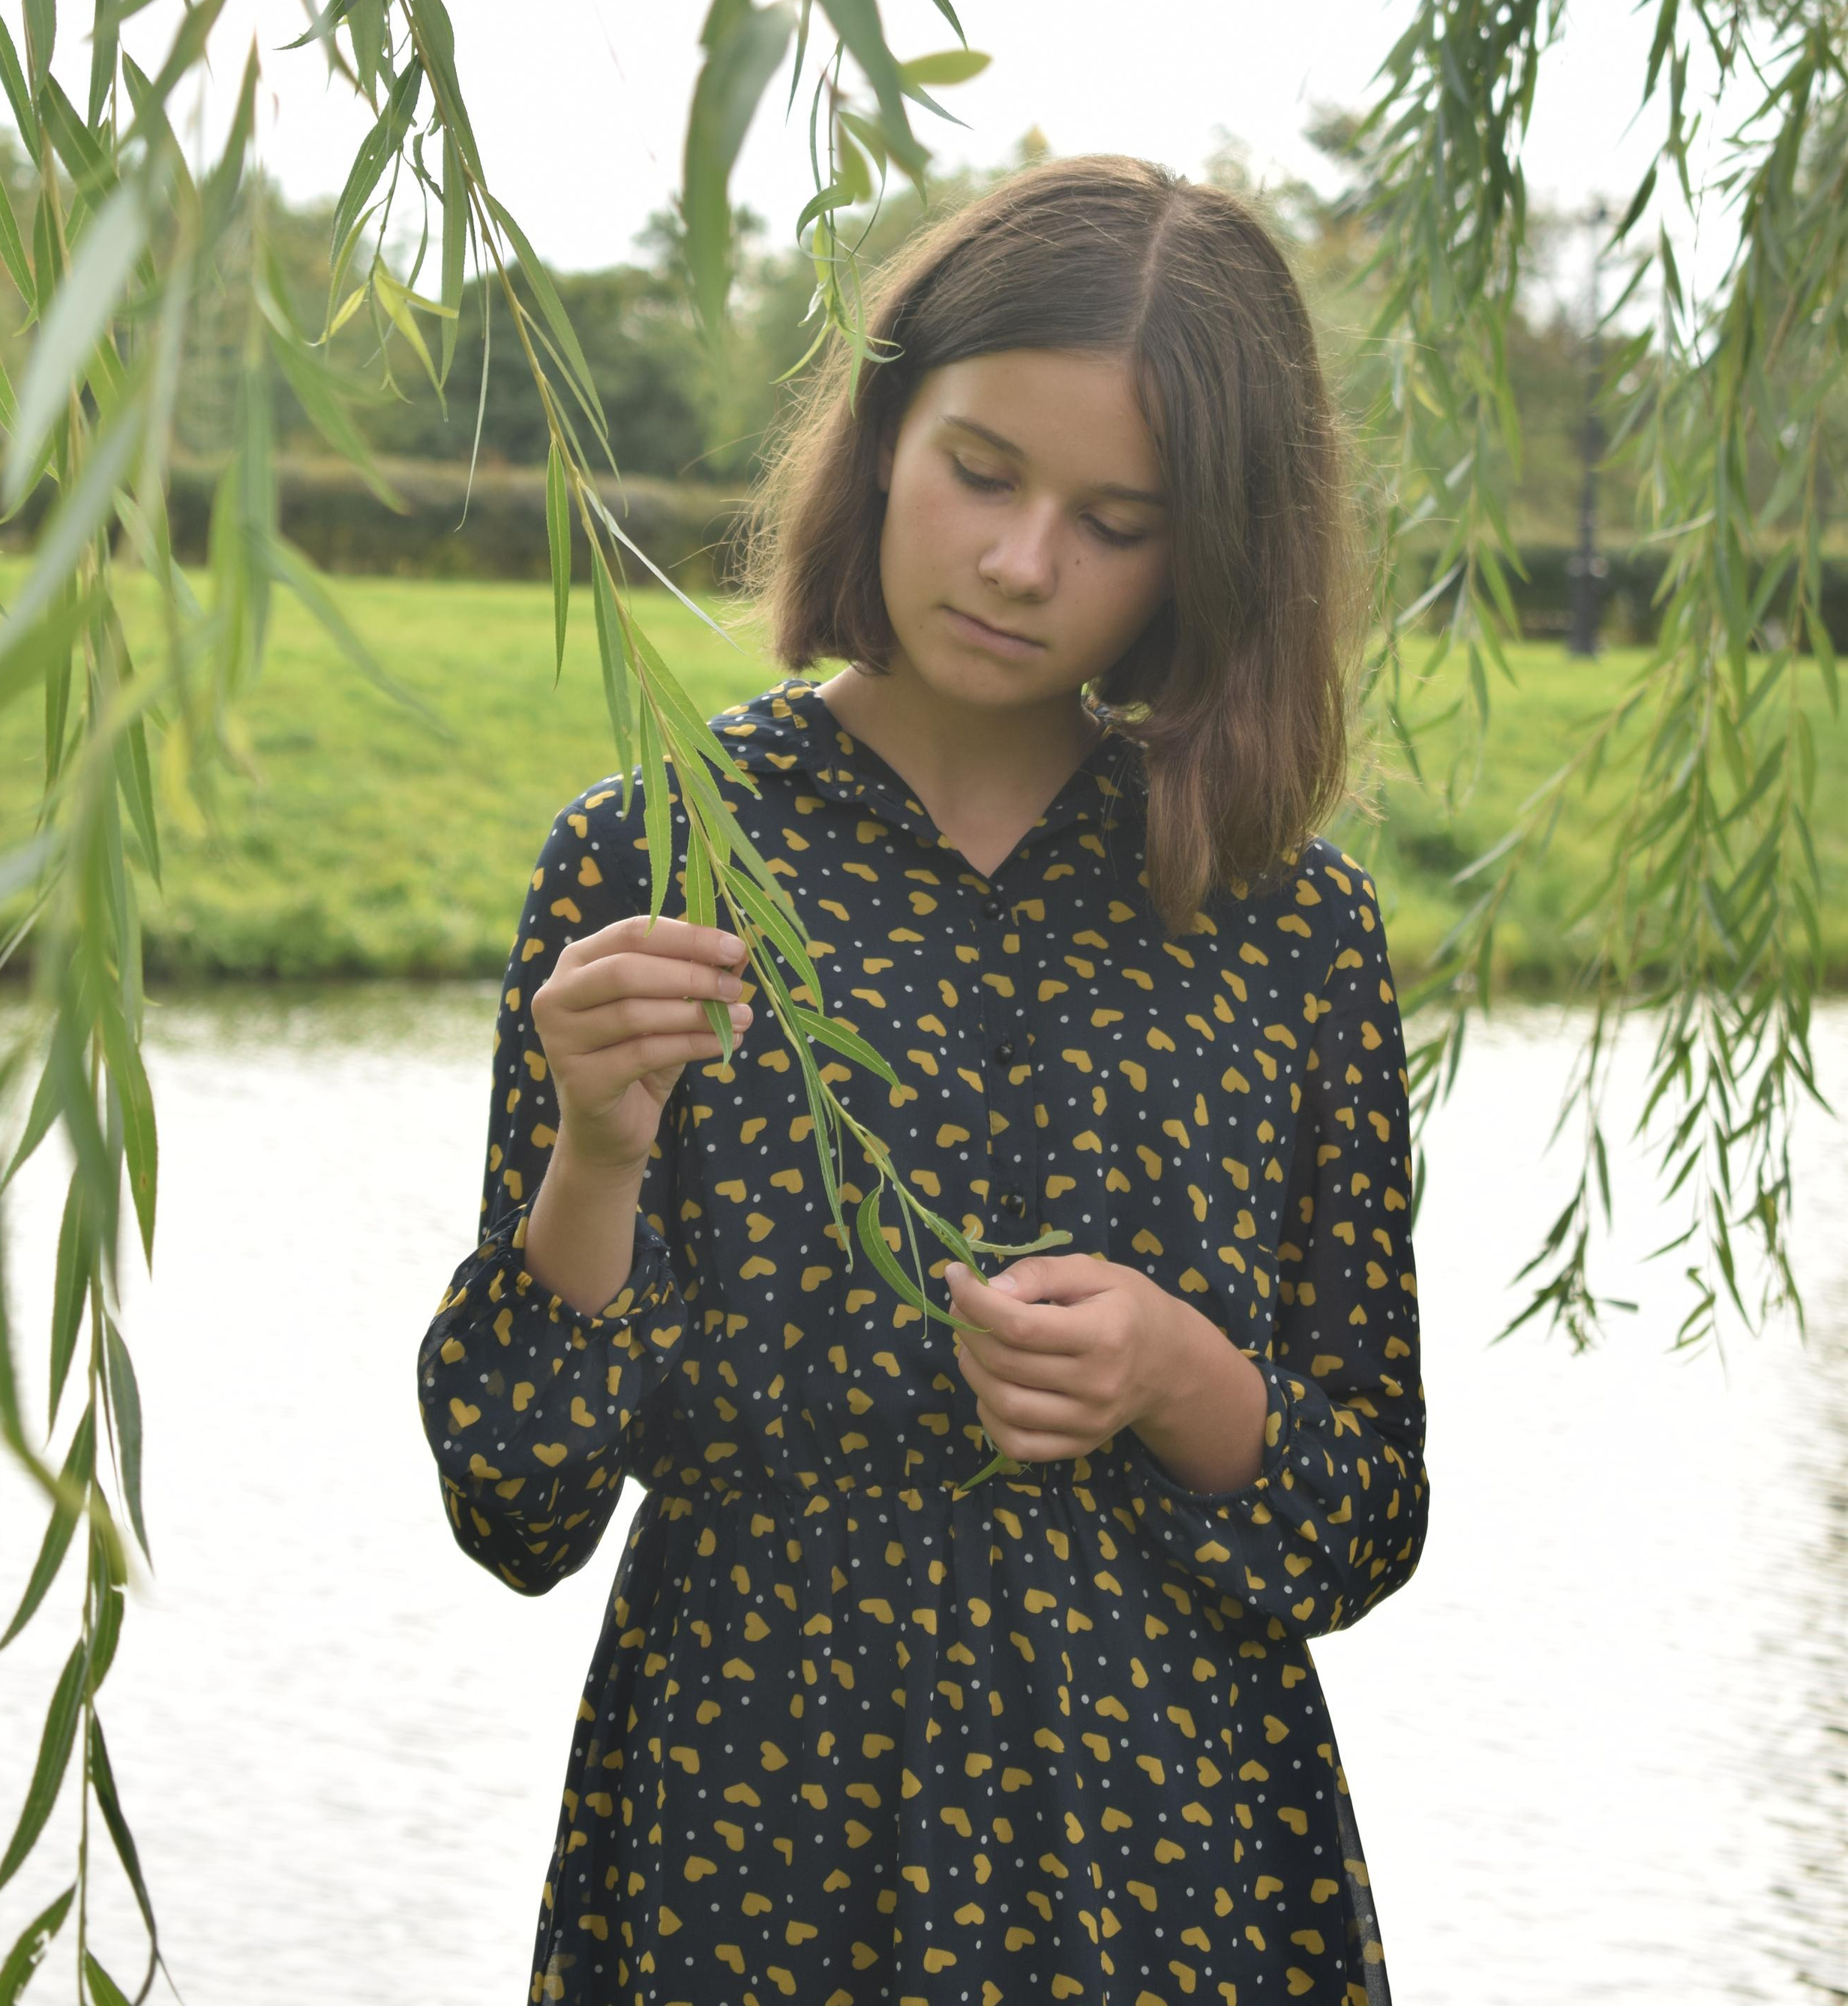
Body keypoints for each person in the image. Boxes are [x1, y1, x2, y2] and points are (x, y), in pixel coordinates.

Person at [419, 155, 1426, 2006]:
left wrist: (1177, 1374)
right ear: (883, 432)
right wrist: (592, 1155)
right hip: (746, 1843)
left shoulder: (1287, 932)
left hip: (1166, 1857)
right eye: (981, 471)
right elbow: (516, 1502)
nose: (1021, 559)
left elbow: (1356, 1520)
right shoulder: (647, 863)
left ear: (1208, 550)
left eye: (1115, 520)